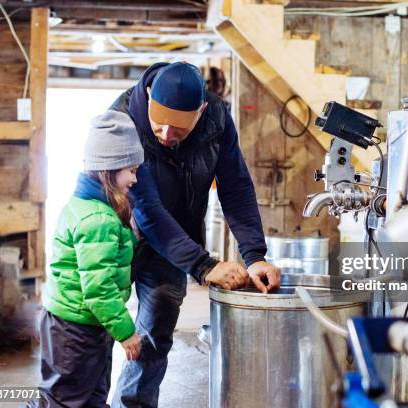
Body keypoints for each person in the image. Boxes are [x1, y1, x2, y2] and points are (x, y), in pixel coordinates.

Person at [109, 61, 281, 407]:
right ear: (147, 96)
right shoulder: (123, 118)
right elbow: (146, 209)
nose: (167, 137)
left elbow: (235, 186)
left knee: (155, 332)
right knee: (97, 327)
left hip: (174, 243)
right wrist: (204, 265)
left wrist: (255, 255)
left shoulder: (216, 119)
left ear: (200, 111)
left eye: (179, 131)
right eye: (160, 126)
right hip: (114, 237)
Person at [30, 111, 144, 407]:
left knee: (91, 396)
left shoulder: (85, 205)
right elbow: (98, 288)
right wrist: (126, 332)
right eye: (130, 170)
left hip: (82, 325)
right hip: (75, 330)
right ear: (109, 170)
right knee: (62, 401)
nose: (134, 178)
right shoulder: (98, 219)